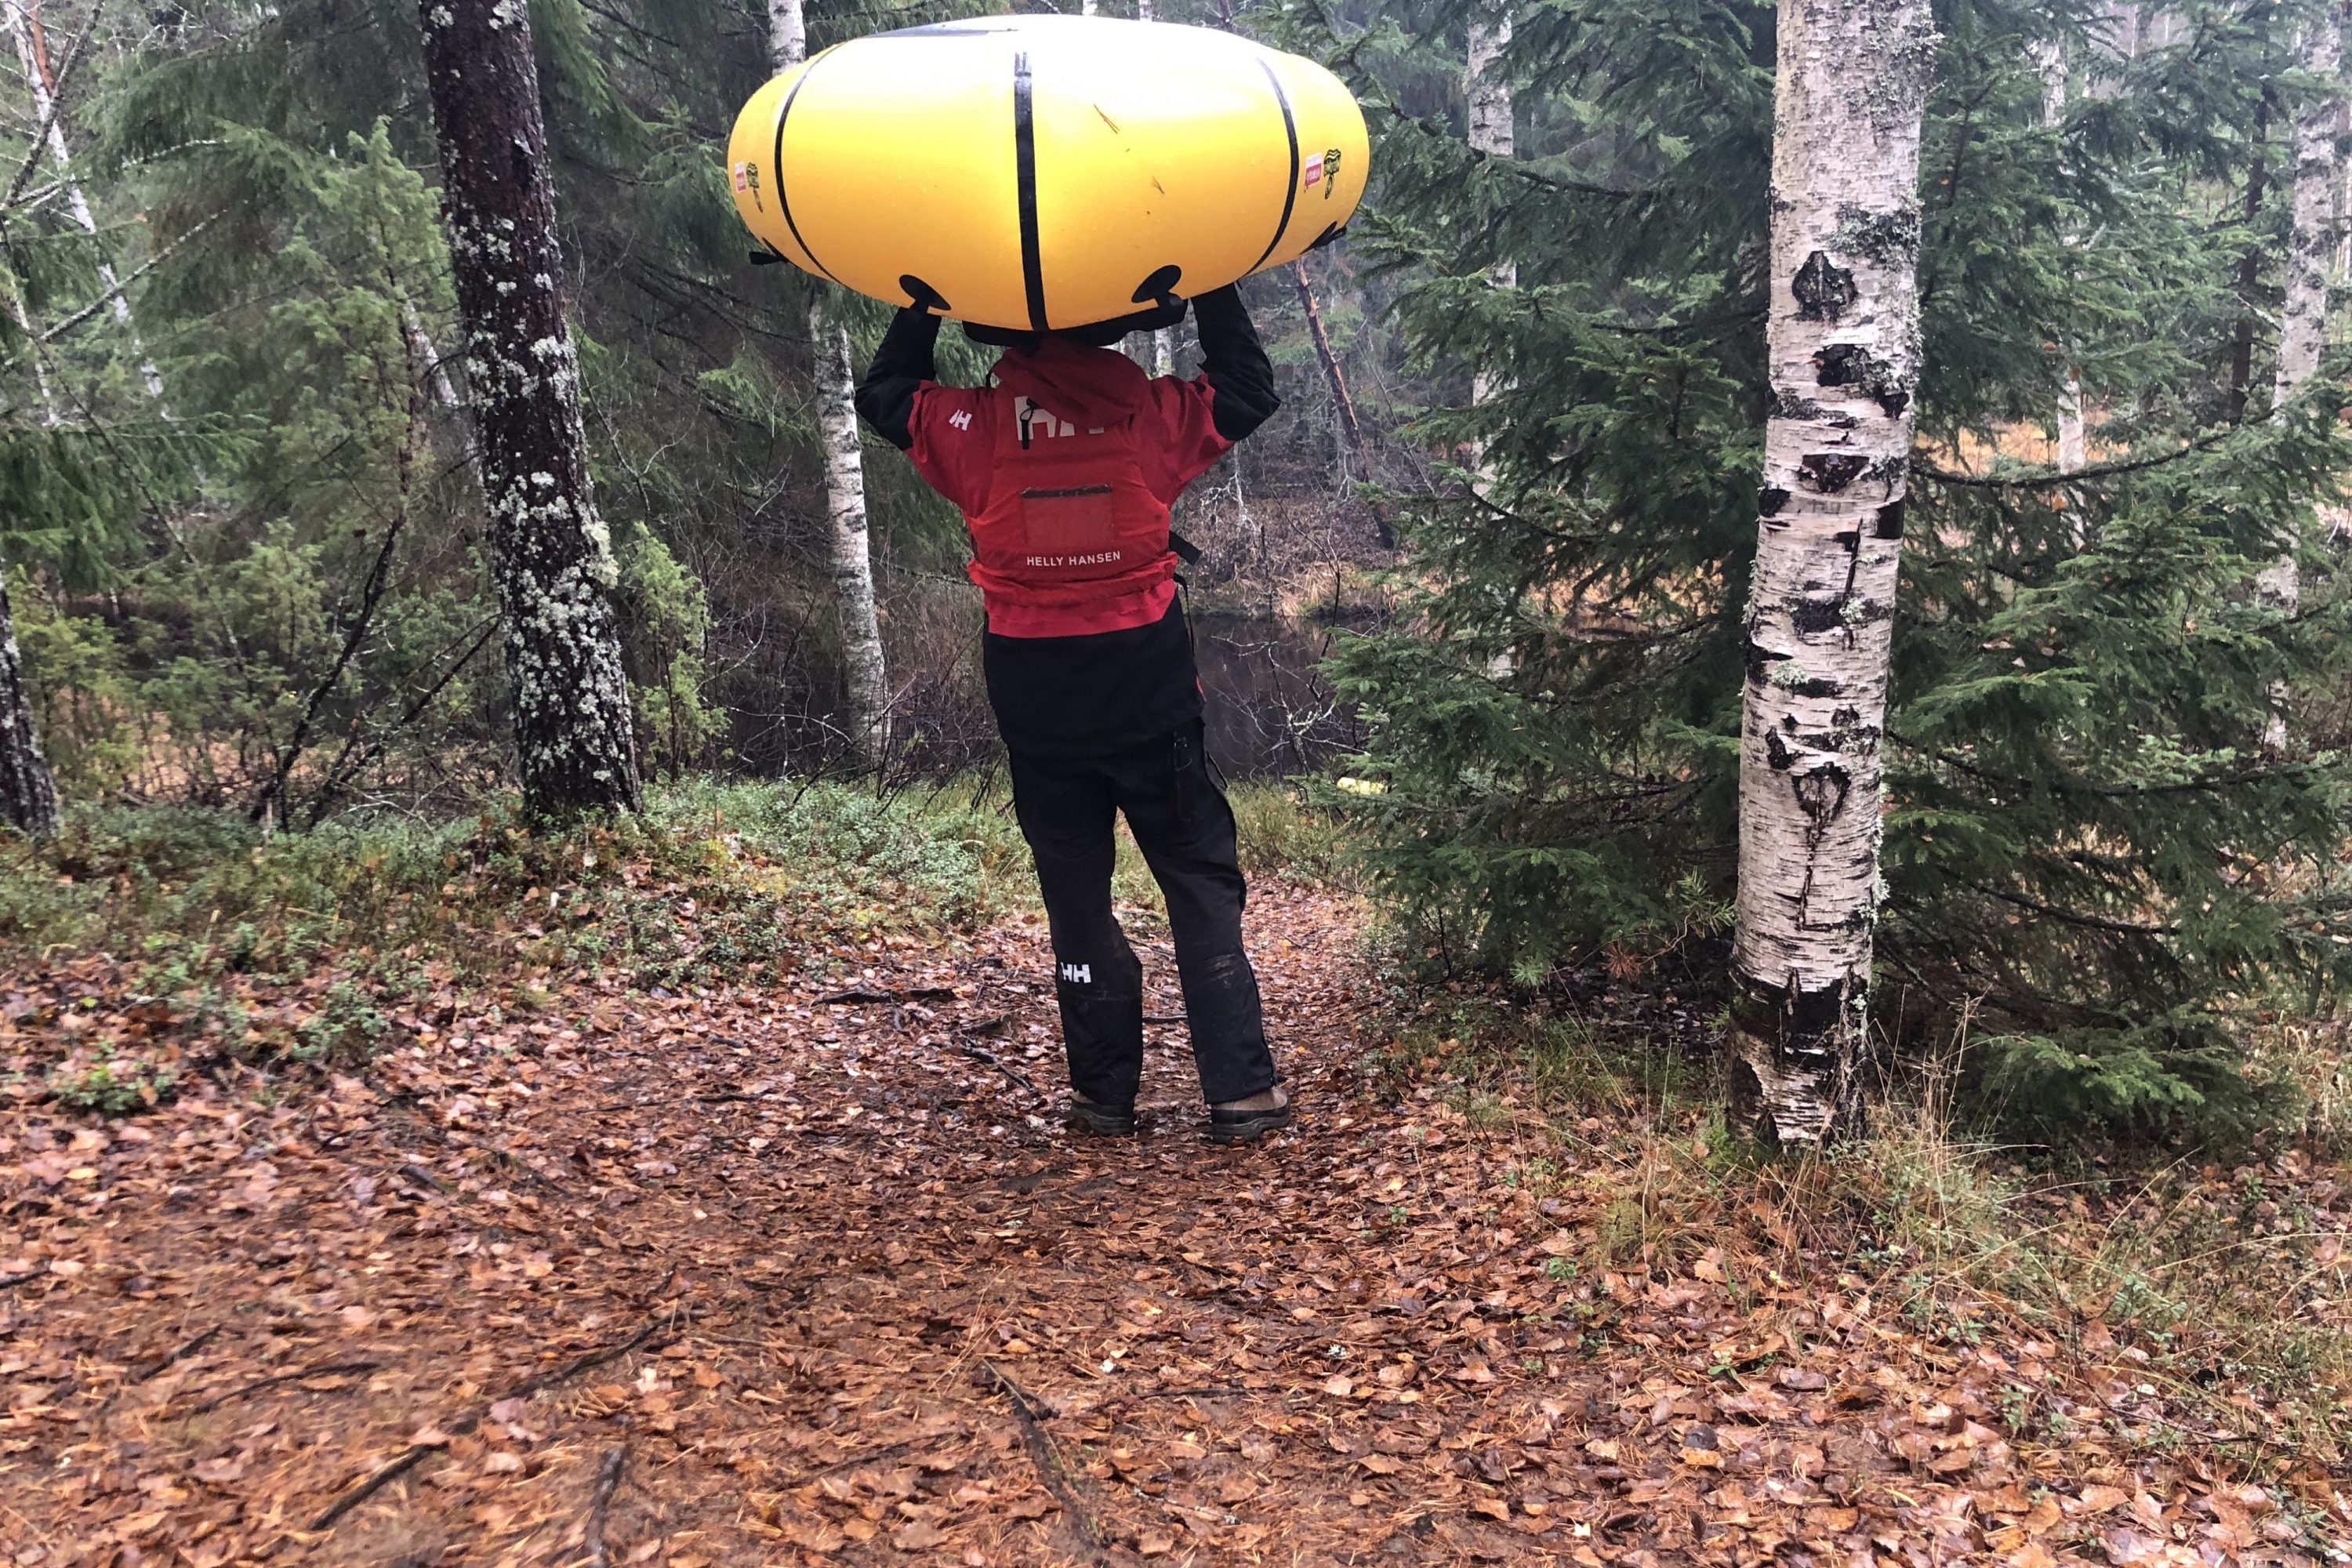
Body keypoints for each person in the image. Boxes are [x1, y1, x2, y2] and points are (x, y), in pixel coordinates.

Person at [854, 284, 1291, 1144]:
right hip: (1147, 689)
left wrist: (924, 308)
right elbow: (1247, 386)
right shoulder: (1146, 415)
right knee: (1198, 879)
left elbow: (884, 397)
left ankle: (1103, 1098)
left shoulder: (973, 431)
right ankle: (1240, 1092)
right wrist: (1213, 282)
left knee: (1076, 896)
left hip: (1036, 698)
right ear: (1108, 330)